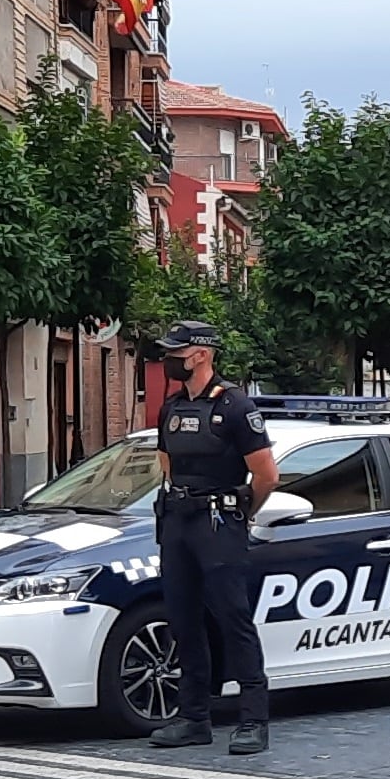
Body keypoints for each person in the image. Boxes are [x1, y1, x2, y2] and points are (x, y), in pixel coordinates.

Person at [147, 319, 276, 755]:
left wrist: (241, 514)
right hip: (178, 524)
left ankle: (253, 718)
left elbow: (266, 475)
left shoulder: (236, 406)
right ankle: (193, 717)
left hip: (219, 523)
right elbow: (166, 465)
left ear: (201, 354)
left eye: (177, 354)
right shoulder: (171, 408)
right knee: (184, 620)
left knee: (232, 618)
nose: (170, 361)